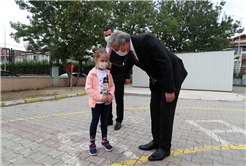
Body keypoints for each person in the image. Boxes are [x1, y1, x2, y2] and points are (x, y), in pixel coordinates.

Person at [106, 30, 188, 161]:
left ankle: (165, 148)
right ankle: (156, 141)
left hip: (171, 77)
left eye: (116, 49)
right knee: (154, 110)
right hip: (156, 81)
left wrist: (169, 90)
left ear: (124, 43)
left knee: (165, 112)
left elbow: (165, 62)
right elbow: (125, 68)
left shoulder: (146, 40)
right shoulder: (130, 52)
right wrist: (110, 65)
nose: (116, 52)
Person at [85, 48, 115, 156]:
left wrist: (111, 94)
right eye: (102, 61)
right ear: (96, 60)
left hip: (106, 103)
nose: (104, 63)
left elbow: (111, 85)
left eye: (106, 61)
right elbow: (88, 89)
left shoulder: (108, 73)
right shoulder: (92, 73)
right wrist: (99, 97)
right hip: (97, 103)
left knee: (105, 122)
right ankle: (92, 143)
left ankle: (104, 140)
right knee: (95, 121)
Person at [103, 27, 131, 130]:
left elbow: (127, 61)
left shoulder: (118, 46)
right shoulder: (103, 48)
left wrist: (127, 76)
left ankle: (119, 120)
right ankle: (108, 119)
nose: (108, 37)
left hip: (119, 77)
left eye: (109, 35)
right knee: (107, 99)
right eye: (106, 35)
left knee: (119, 100)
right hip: (106, 78)